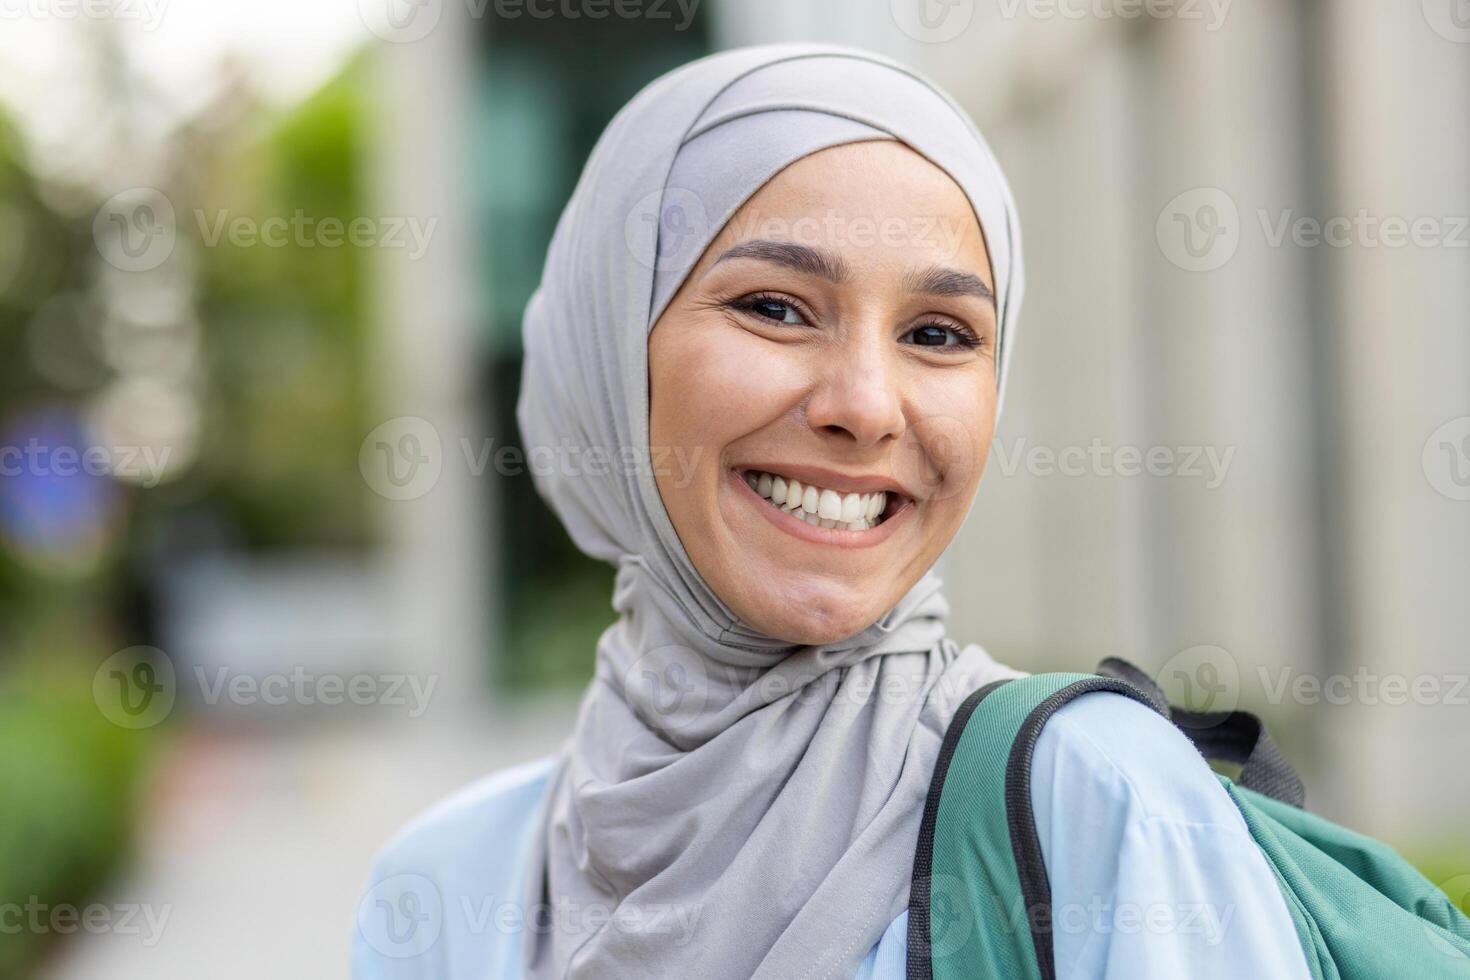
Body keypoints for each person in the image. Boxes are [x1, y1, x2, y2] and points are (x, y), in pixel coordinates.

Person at [352, 42, 1311, 980]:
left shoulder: (1103, 809)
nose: (864, 405)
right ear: (609, 351)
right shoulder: (447, 885)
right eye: (775, 308)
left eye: (937, 334)